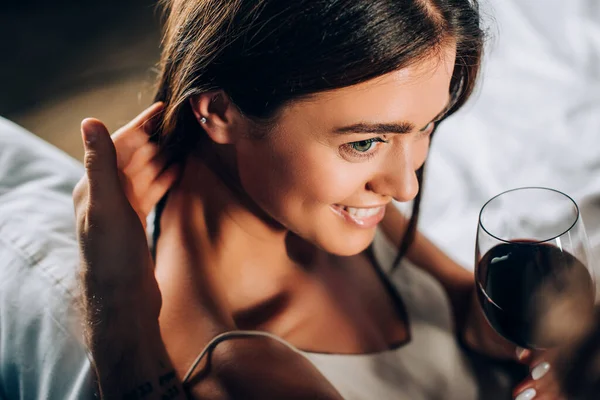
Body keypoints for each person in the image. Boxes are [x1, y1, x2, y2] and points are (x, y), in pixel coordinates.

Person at [0, 0, 568, 399]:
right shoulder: (243, 365)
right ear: (218, 110)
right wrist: (115, 292)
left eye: (425, 127)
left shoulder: (340, 209)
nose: (405, 185)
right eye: (365, 141)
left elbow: (472, 314)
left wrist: (563, 348)